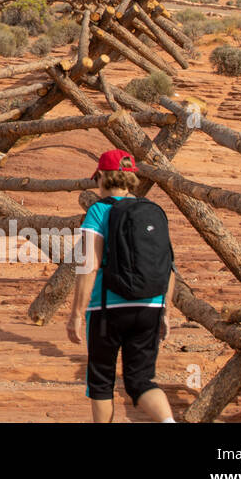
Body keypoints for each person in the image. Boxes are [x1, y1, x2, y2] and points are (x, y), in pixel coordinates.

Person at [68, 150, 176, 423]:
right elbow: (170, 267)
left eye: (98, 177)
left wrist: (77, 314)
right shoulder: (151, 211)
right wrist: (166, 310)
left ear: (103, 176)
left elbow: (89, 265)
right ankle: (168, 422)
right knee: (141, 380)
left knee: (101, 381)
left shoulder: (99, 210)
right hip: (150, 305)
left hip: (108, 308)